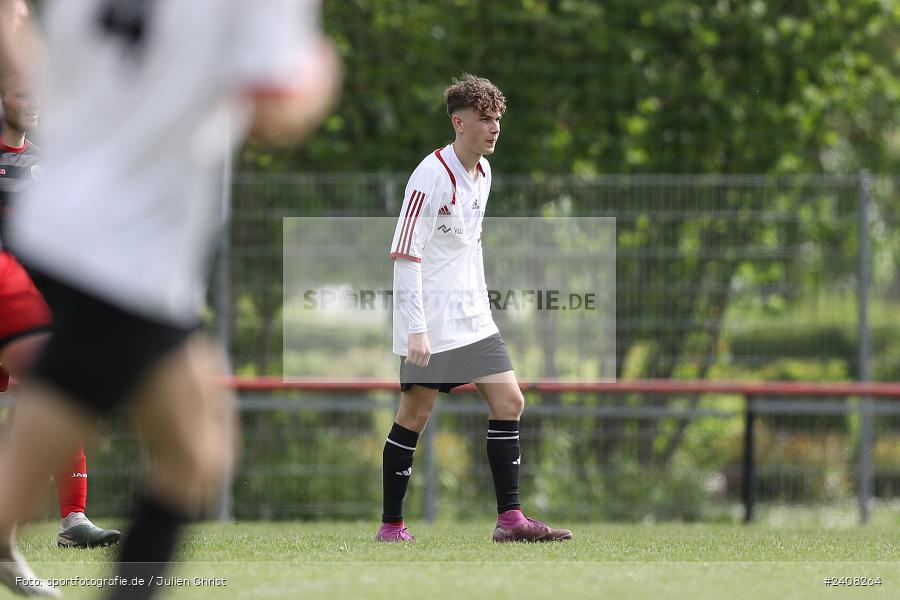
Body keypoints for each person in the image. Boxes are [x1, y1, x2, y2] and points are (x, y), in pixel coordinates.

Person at [0, 0, 340, 597]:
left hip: (67, 230)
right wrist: (322, 69)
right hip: (125, 250)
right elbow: (275, 110)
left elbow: (18, 34)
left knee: (195, 443)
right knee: (179, 447)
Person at [378, 74, 572, 543]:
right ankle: (391, 527)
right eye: (485, 119)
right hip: (432, 319)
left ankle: (511, 521)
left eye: (498, 119)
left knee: (510, 401)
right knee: (414, 416)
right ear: (459, 123)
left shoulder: (484, 174)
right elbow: (405, 254)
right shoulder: (429, 176)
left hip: (473, 318)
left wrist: (482, 308)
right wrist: (416, 329)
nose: (494, 128)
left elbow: (472, 248)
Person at [0, 76, 122, 551]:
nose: (32, 101)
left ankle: (74, 521)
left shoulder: (46, 164)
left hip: (29, 305)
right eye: (20, 92)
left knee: (62, 395)